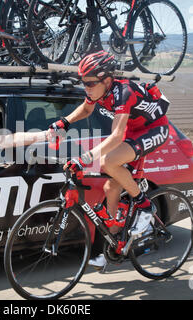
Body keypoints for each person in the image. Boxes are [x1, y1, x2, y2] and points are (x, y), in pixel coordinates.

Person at [47, 50, 171, 268]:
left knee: (107, 162)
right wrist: (64, 122)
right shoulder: (99, 90)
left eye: (90, 83)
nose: (86, 88)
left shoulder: (124, 91)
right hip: (135, 132)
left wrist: (85, 158)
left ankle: (144, 206)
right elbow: (86, 109)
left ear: (106, 79)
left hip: (155, 129)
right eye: (83, 83)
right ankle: (115, 245)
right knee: (110, 188)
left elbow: (116, 136)